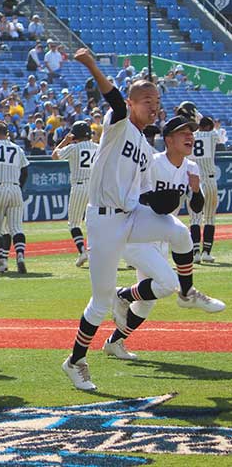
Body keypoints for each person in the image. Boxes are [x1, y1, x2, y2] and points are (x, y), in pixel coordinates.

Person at [61, 49, 196, 392]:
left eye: (157, 100)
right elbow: (115, 101)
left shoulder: (143, 143)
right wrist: (92, 65)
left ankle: (184, 291)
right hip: (104, 222)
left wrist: (161, 202)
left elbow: (143, 193)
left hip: (131, 215)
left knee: (179, 235)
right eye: (147, 100)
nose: (154, 106)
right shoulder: (119, 122)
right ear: (133, 102)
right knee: (100, 301)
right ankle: (75, 361)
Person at [105, 116, 226, 361]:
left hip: (161, 235)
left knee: (147, 302)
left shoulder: (191, 167)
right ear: (168, 139)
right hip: (136, 234)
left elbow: (198, 207)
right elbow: (133, 195)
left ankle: (114, 342)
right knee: (167, 284)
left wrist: (194, 189)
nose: (190, 136)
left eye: (191, 132)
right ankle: (123, 294)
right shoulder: (152, 163)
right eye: (183, 133)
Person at [0, 121, 30, 273]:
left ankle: (0, 262)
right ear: (6, 133)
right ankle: (20, 256)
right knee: (15, 228)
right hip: (15, 188)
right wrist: (17, 186)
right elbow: (25, 171)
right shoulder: (17, 148)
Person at [52, 121, 98, 268]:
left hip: (79, 186)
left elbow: (54, 156)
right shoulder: (98, 147)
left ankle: (82, 251)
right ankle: (97, 254)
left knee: (74, 223)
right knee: (95, 223)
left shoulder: (73, 147)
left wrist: (65, 140)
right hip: (96, 187)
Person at [190, 116, 223, 263]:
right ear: (209, 126)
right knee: (209, 217)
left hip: (194, 180)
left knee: (195, 218)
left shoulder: (192, 136)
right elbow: (221, 138)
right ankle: (206, 253)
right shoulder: (213, 134)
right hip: (209, 180)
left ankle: (195, 253)